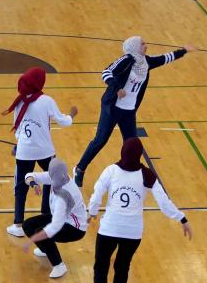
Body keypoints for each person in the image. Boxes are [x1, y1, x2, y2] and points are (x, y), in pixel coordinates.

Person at [85, 138, 191, 283]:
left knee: (100, 268)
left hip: (109, 228)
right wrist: (182, 219)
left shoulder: (111, 170)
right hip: (132, 233)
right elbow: (164, 203)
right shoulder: (147, 175)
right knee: (122, 267)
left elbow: (97, 193)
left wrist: (92, 212)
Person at [74, 38, 191, 184]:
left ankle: (129, 173)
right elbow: (106, 72)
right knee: (100, 140)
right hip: (112, 108)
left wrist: (184, 51)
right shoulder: (126, 60)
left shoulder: (145, 62)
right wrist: (117, 88)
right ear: (134, 47)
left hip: (129, 111)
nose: (146, 45)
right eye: (143, 44)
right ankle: (80, 169)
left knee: (131, 144)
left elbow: (164, 58)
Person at [5, 66, 72, 234]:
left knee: (21, 185)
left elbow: (18, 129)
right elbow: (63, 122)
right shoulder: (46, 100)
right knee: (51, 180)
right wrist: (72, 115)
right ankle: (46, 216)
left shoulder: (19, 101)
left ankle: (18, 224)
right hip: (45, 151)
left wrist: (19, 145)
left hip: (24, 152)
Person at [22, 157, 88, 280]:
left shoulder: (64, 195)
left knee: (42, 233)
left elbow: (54, 227)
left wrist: (31, 241)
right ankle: (46, 250)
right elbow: (30, 175)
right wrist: (33, 183)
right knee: (28, 225)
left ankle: (59, 265)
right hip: (62, 217)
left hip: (75, 228)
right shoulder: (57, 176)